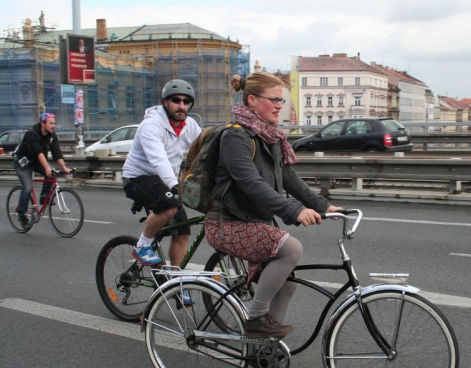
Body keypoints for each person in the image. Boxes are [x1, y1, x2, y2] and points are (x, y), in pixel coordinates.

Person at [203, 72, 342, 353]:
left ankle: (263, 351)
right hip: (226, 223)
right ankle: (255, 319)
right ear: (252, 100)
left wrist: (323, 206)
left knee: (287, 286)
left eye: (282, 99)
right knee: (290, 249)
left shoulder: (272, 137)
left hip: (252, 220)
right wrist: (295, 210)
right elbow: (251, 184)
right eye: (274, 99)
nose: (280, 105)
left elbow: (289, 178)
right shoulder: (235, 136)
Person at [122, 79, 202, 267]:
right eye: (176, 100)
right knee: (170, 206)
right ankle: (142, 245)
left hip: (167, 182)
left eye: (186, 102)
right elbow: (159, 160)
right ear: (165, 102)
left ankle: (176, 285)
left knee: (182, 233)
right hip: (138, 178)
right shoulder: (151, 125)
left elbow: (206, 149)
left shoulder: (190, 125)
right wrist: (175, 186)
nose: (181, 106)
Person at [13, 113, 72, 230]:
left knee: (52, 174)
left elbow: (57, 153)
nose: (53, 125)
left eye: (54, 123)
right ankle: (22, 214)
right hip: (22, 163)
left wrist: (64, 167)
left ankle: (44, 196)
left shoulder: (51, 135)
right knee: (27, 187)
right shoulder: (32, 134)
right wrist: (47, 168)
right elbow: (39, 153)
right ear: (43, 124)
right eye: (51, 123)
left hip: (36, 161)